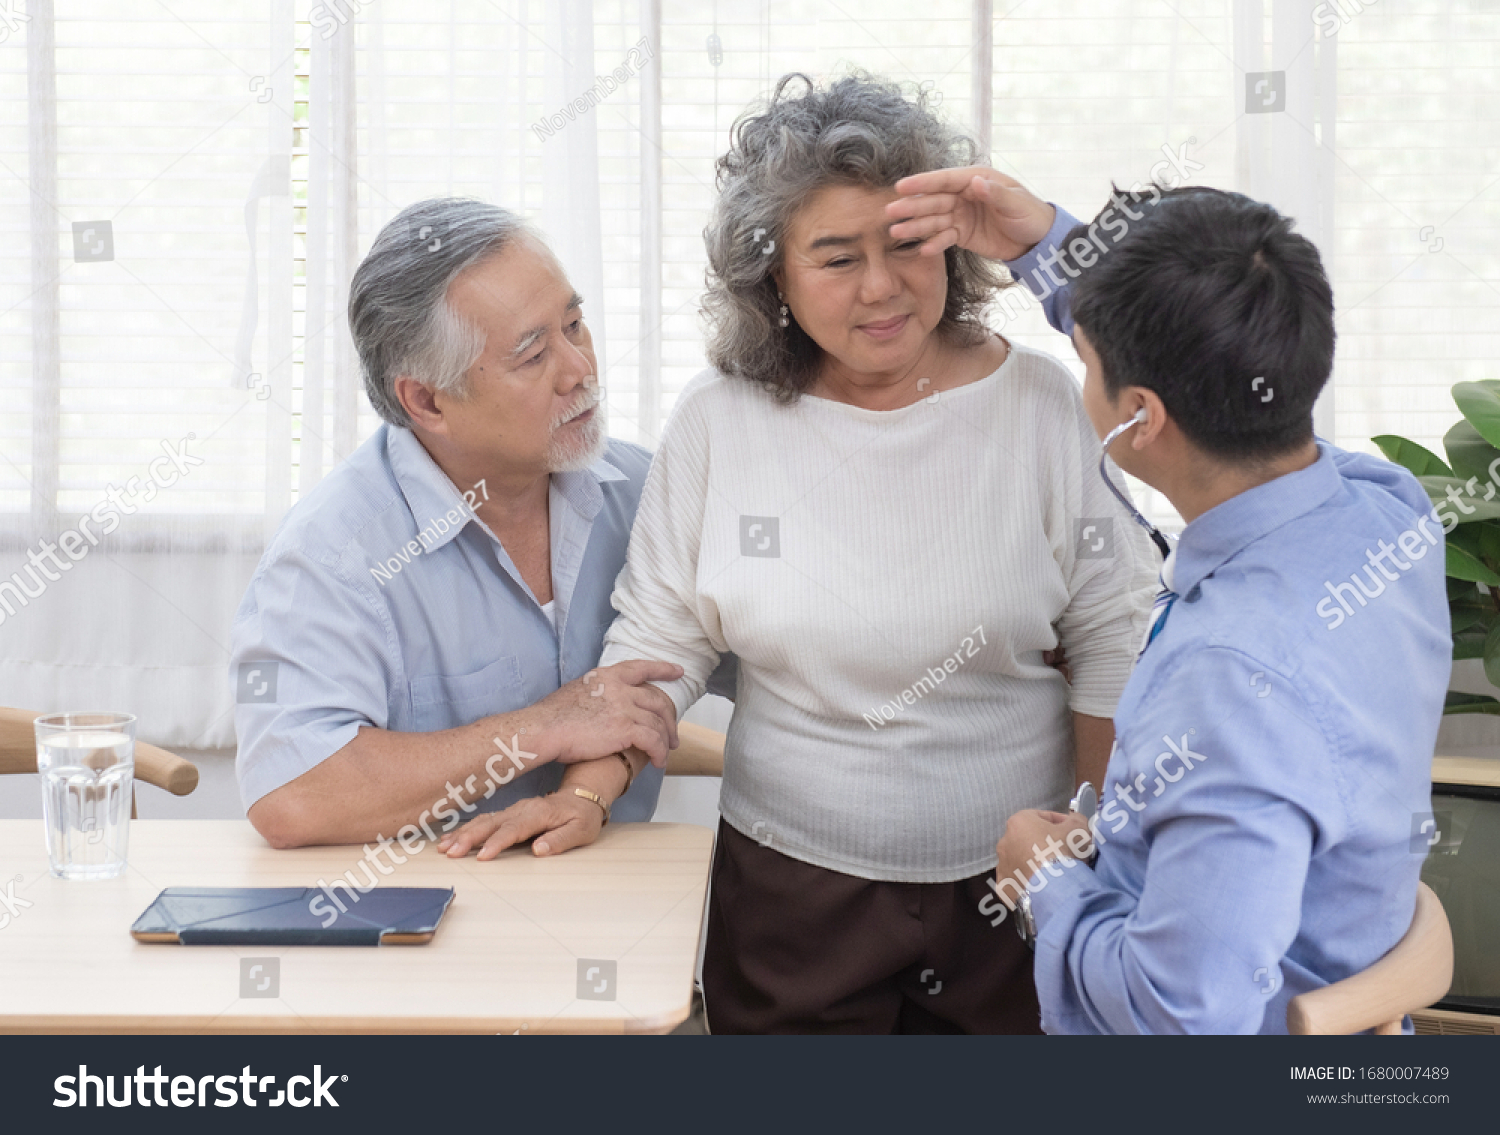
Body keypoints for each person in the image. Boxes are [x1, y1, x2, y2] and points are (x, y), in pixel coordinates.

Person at [479, 72, 1154, 1034]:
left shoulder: (1043, 404)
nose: (881, 286)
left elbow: (1115, 640)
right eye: (837, 258)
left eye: (907, 245)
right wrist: (589, 793)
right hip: (792, 897)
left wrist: (1094, 853)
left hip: (1017, 887)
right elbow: (658, 641)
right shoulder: (720, 420)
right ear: (775, 281)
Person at [893, 176, 1449, 1032]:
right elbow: (1216, 354)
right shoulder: (1386, 510)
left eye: (1088, 362)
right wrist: (1051, 245)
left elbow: (1180, 1018)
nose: (1082, 373)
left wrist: (1045, 880)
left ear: (1140, 418)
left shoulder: (1230, 684)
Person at [230, 198, 733, 854]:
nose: (580, 370)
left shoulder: (647, 491)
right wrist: (541, 727)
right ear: (426, 400)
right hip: (421, 906)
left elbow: (774, 658)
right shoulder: (332, 553)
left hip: (613, 894)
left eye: (575, 325)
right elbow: (294, 793)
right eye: (534, 355)